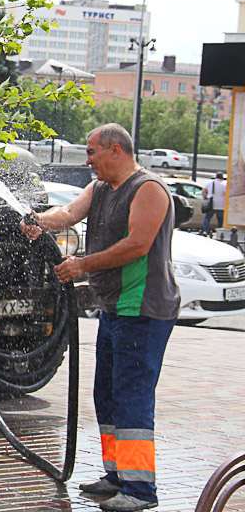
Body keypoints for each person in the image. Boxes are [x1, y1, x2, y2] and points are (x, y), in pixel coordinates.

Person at [20, 123, 179, 512]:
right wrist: (39, 221)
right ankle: (117, 475)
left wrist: (82, 266)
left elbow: (137, 245)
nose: (87, 161)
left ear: (115, 151)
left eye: (92, 153)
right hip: (113, 307)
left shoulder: (148, 189)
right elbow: (70, 212)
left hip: (143, 309)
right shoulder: (101, 189)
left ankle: (141, 490)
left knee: (132, 396)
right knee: (106, 394)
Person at [202, 172, 226, 236]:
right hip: (221, 205)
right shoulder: (224, 184)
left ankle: (205, 231)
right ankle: (220, 233)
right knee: (220, 220)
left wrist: (205, 198)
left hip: (211, 204)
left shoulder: (210, 183)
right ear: (222, 178)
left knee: (207, 218)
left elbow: (203, 191)